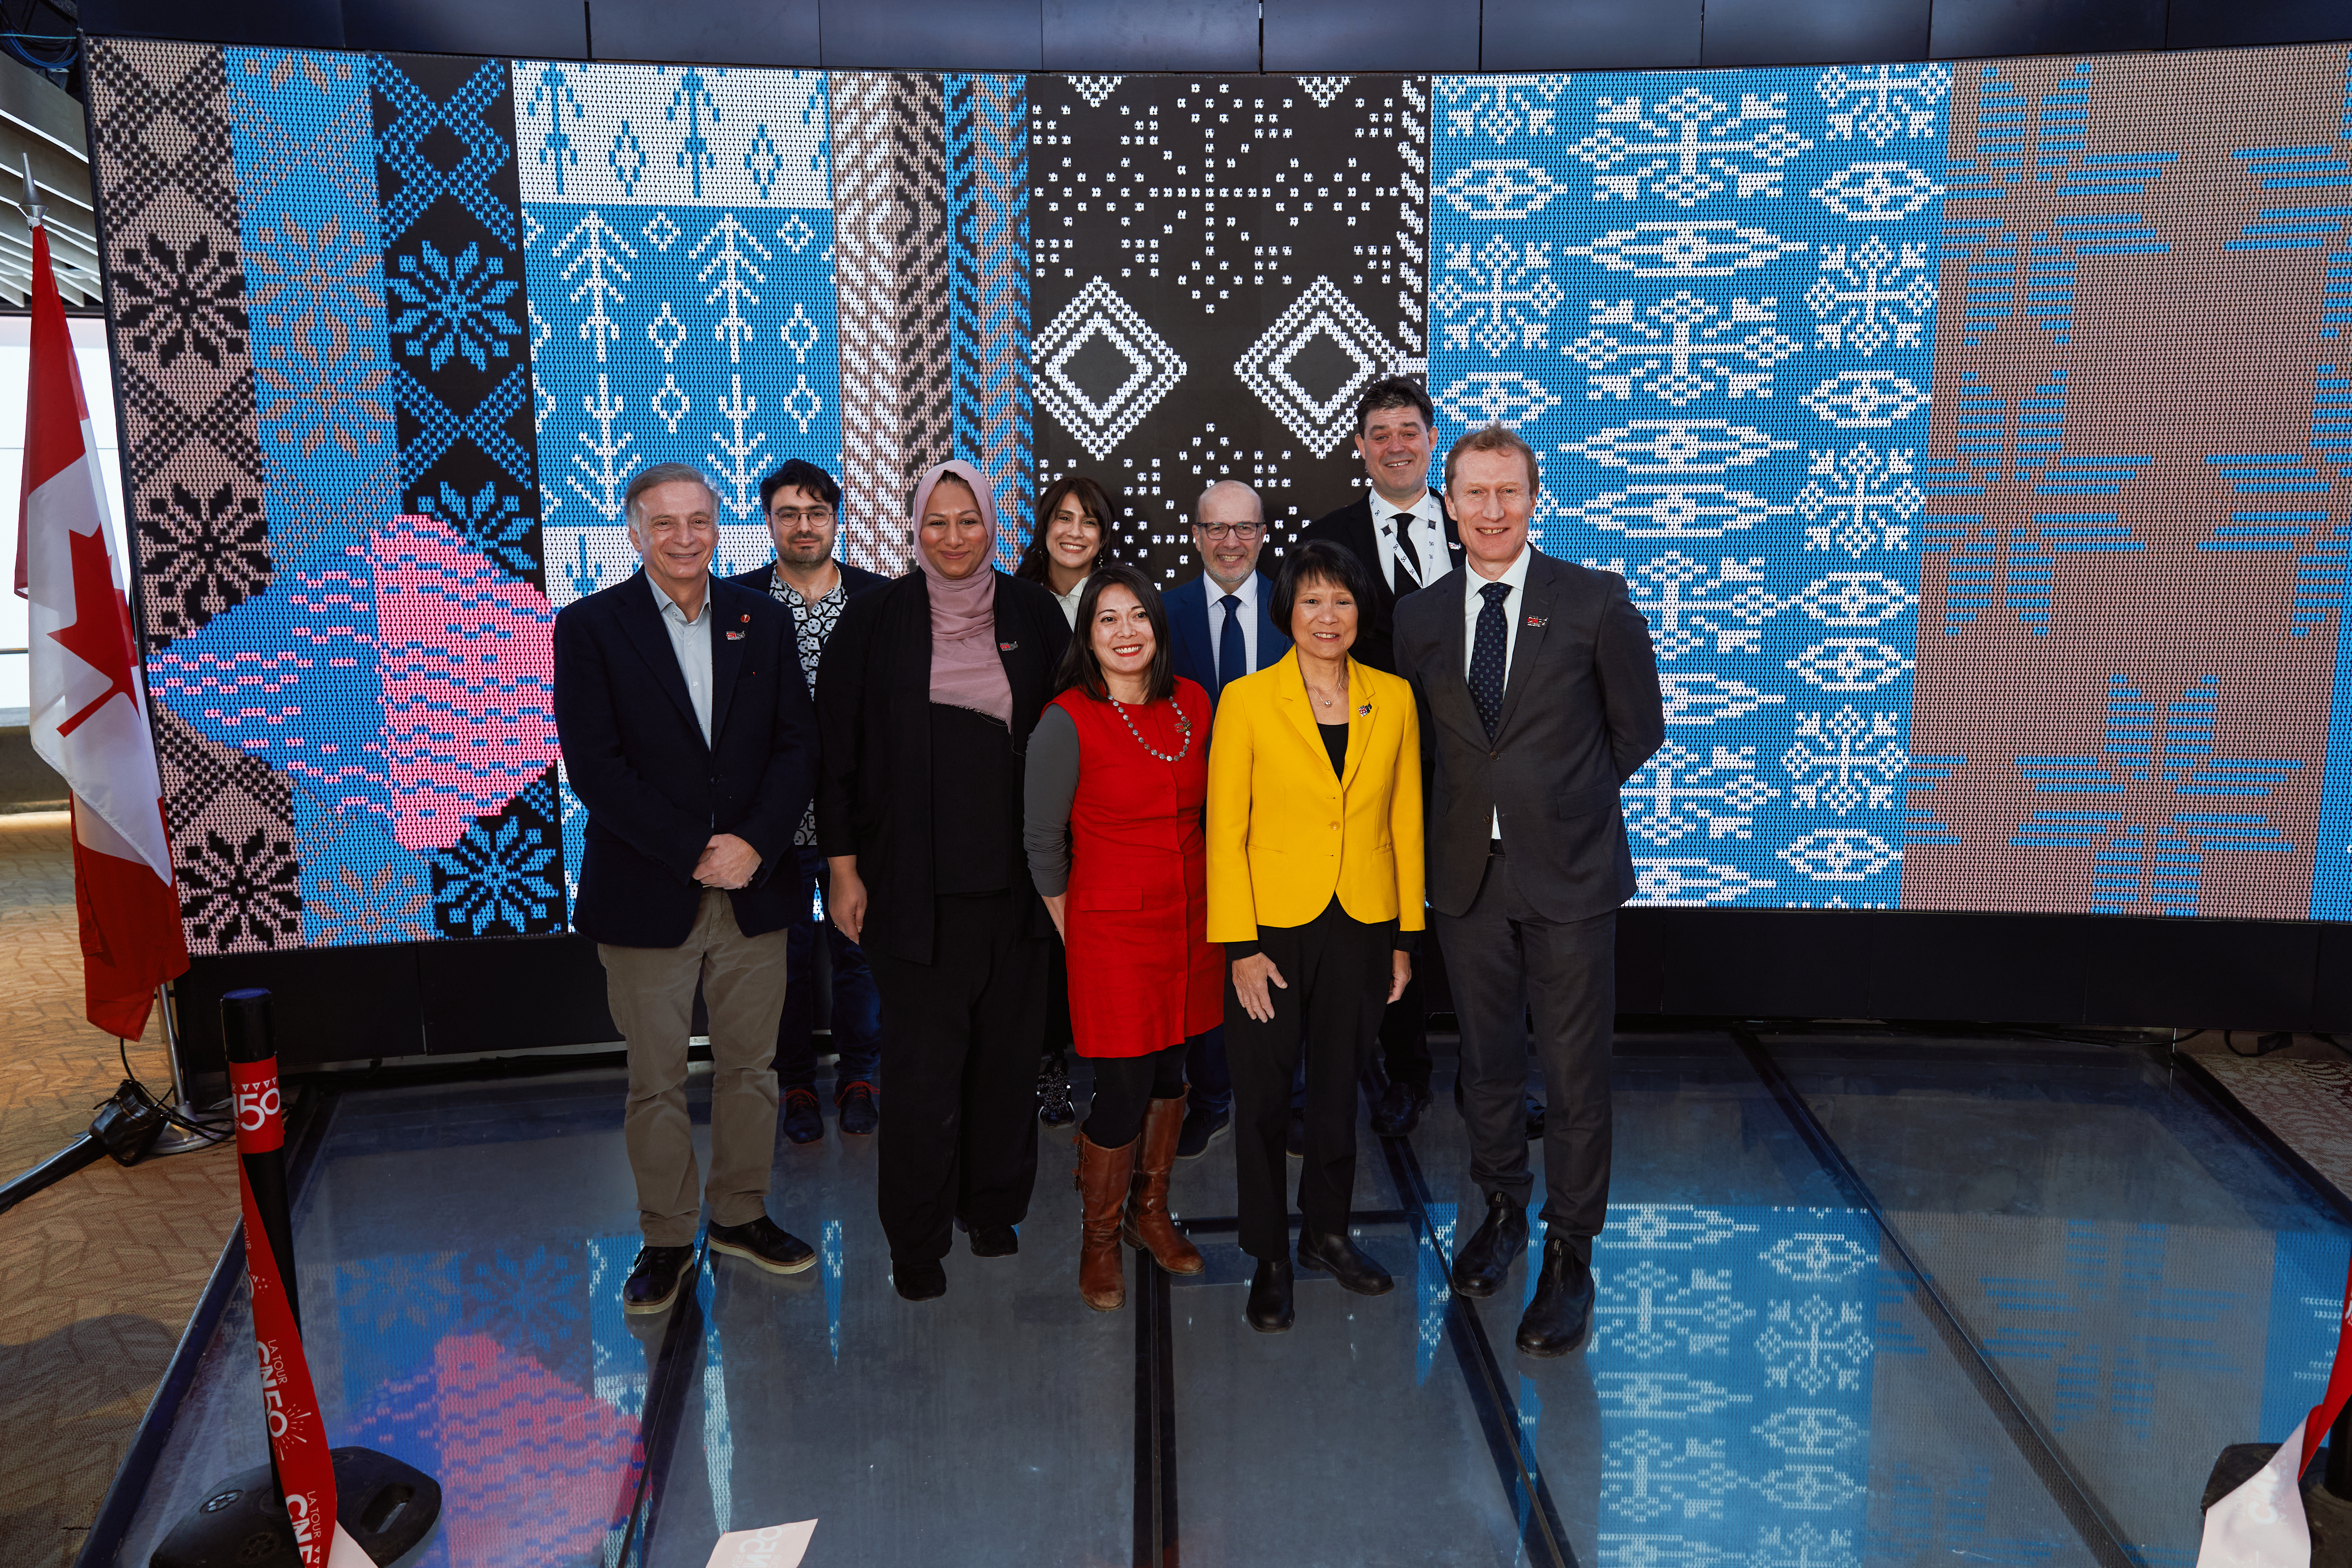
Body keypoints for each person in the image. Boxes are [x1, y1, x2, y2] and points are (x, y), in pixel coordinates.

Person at [1394, 424, 1665, 1357]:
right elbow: (1422, 749)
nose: (1491, 509)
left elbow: (1638, 729)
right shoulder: (1419, 618)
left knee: (1576, 1074)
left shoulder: (1593, 600)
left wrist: (1560, 806)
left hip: (1570, 875)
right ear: (1448, 504)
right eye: (1473, 492)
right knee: (1486, 1063)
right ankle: (1503, 1208)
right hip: (1466, 880)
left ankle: (1569, 1253)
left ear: (1534, 498)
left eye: (1507, 491)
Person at [553, 461, 821, 1313]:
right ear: (634, 532)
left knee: (751, 1068)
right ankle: (666, 1237)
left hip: (753, 887)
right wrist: (695, 849)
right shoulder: (589, 627)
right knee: (656, 1080)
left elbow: (797, 746)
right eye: (663, 523)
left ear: (718, 527)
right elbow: (595, 766)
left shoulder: (762, 619)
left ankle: (741, 1215)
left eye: (698, 520)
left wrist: (753, 844)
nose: (682, 537)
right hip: (645, 890)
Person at [817, 459, 1072, 1302]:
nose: (953, 537)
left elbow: (1071, 740)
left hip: (1020, 892)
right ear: (914, 528)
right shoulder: (874, 618)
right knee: (923, 1077)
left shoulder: (1033, 612)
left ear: (992, 525)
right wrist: (842, 869)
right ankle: (916, 1240)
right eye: (937, 521)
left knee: (1005, 1064)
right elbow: (836, 754)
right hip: (909, 895)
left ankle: (992, 1207)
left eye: (968, 521)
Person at [1206, 539, 1425, 1334]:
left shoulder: (1392, 698)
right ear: (1286, 611)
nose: (1326, 616)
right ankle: (1268, 1255)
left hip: (1362, 923)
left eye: (1341, 600)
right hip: (1269, 928)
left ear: (1360, 611)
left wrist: (1403, 937)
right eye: (1310, 601)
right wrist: (1239, 946)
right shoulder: (1246, 701)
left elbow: (1405, 820)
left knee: (1337, 1091)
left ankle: (1326, 1234)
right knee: (1265, 1098)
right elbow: (1224, 830)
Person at [1023, 564, 1220, 1310]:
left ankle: (1149, 1212)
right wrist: (1077, 931)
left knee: (1172, 1074)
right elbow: (1042, 843)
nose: (1125, 631)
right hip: (1109, 929)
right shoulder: (1065, 720)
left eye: (1137, 615)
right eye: (1107, 619)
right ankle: (1098, 1237)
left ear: (1157, 627)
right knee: (1123, 1087)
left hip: (1191, 919)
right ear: (1088, 636)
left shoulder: (1192, 702)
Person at [1300, 378, 1464, 1140]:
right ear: (1360, 446)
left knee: (1478, 921)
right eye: (1379, 432)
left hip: (1471, 761)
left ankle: (1490, 1079)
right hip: (1367, 757)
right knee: (1386, 915)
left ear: (1431, 439)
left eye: (1409, 430)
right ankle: (1406, 1074)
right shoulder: (1328, 537)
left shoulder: (1476, 525)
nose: (1395, 444)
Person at [730, 458, 889, 1144]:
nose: (803, 525)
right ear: (768, 521)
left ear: (835, 519)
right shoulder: (737, 603)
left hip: (860, 818)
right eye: (788, 513)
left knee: (860, 955)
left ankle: (860, 1078)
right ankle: (795, 1084)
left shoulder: (879, 600)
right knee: (783, 964)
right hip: (773, 822)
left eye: (816, 512)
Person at [1161, 479, 1290, 1160]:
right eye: (1216, 528)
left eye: (1244, 528)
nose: (1230, 541)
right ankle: (1210, 1099)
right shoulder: (1163, 613)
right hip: (1194, 822)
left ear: (1263, 535)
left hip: (1285, 823)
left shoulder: (1297, 607)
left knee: (1289, 959)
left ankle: (1289, 1100)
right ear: (1195, 536)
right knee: (1209, 964)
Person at [1015, 474, 1118, 628]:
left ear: (1103, 539)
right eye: (1065, 518)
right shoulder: (1015, 599)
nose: (1075, 533)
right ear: (1044, 527)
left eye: (1089, 522)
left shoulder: (1120, 602)